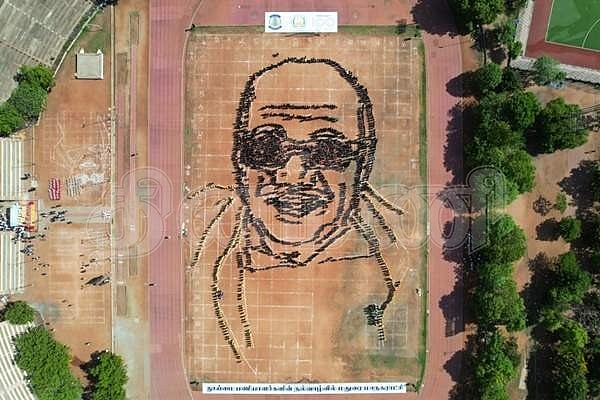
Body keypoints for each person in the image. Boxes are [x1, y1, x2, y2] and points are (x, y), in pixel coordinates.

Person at [188, 57, 408, 378]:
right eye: (266, 149)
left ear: (363, 163)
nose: (292, 174)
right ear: (239, 159)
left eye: (327, 151)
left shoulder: (398, 261)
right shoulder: (203, 232)